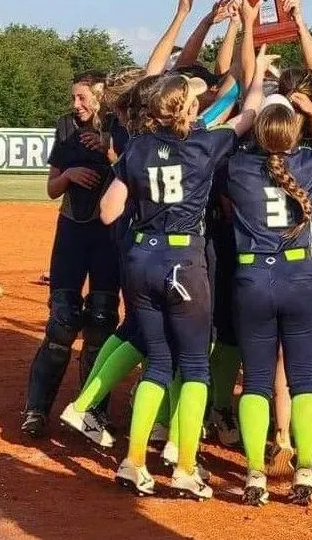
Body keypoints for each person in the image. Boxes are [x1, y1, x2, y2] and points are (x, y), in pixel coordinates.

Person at [98, 46, 266, 499]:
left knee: (157, 362)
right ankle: (186, 467)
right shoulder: (203, 143)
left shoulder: (136, 147)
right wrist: (257, 72)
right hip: (183, 261)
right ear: (187, 109)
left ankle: (134, 461)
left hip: (141, 259)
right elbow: (250, 113)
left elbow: (109, 211)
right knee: (193, 366)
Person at [227, 86, 312, 506]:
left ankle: (255, 473)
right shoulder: (307, 163)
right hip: (300, 277)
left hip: (253, 277)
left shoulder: (237, 165)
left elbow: (223, 137)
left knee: (256, 381)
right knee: (304, 378)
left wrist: (249, 113)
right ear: (293, 131)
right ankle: (304, 470)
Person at [21, 71, 121, 438]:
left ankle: (92, 412)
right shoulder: (65, 126)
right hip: (72, 231)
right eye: (74, 98)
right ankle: (36, 410)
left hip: (108, 234)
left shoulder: (119, 125)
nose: (75, 105)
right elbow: (52, 188)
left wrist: (108, 149)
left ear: (100, 95)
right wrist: (70, 175)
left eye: (82, 97)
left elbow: (134, 171)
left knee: (102, 319)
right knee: (62, 320)